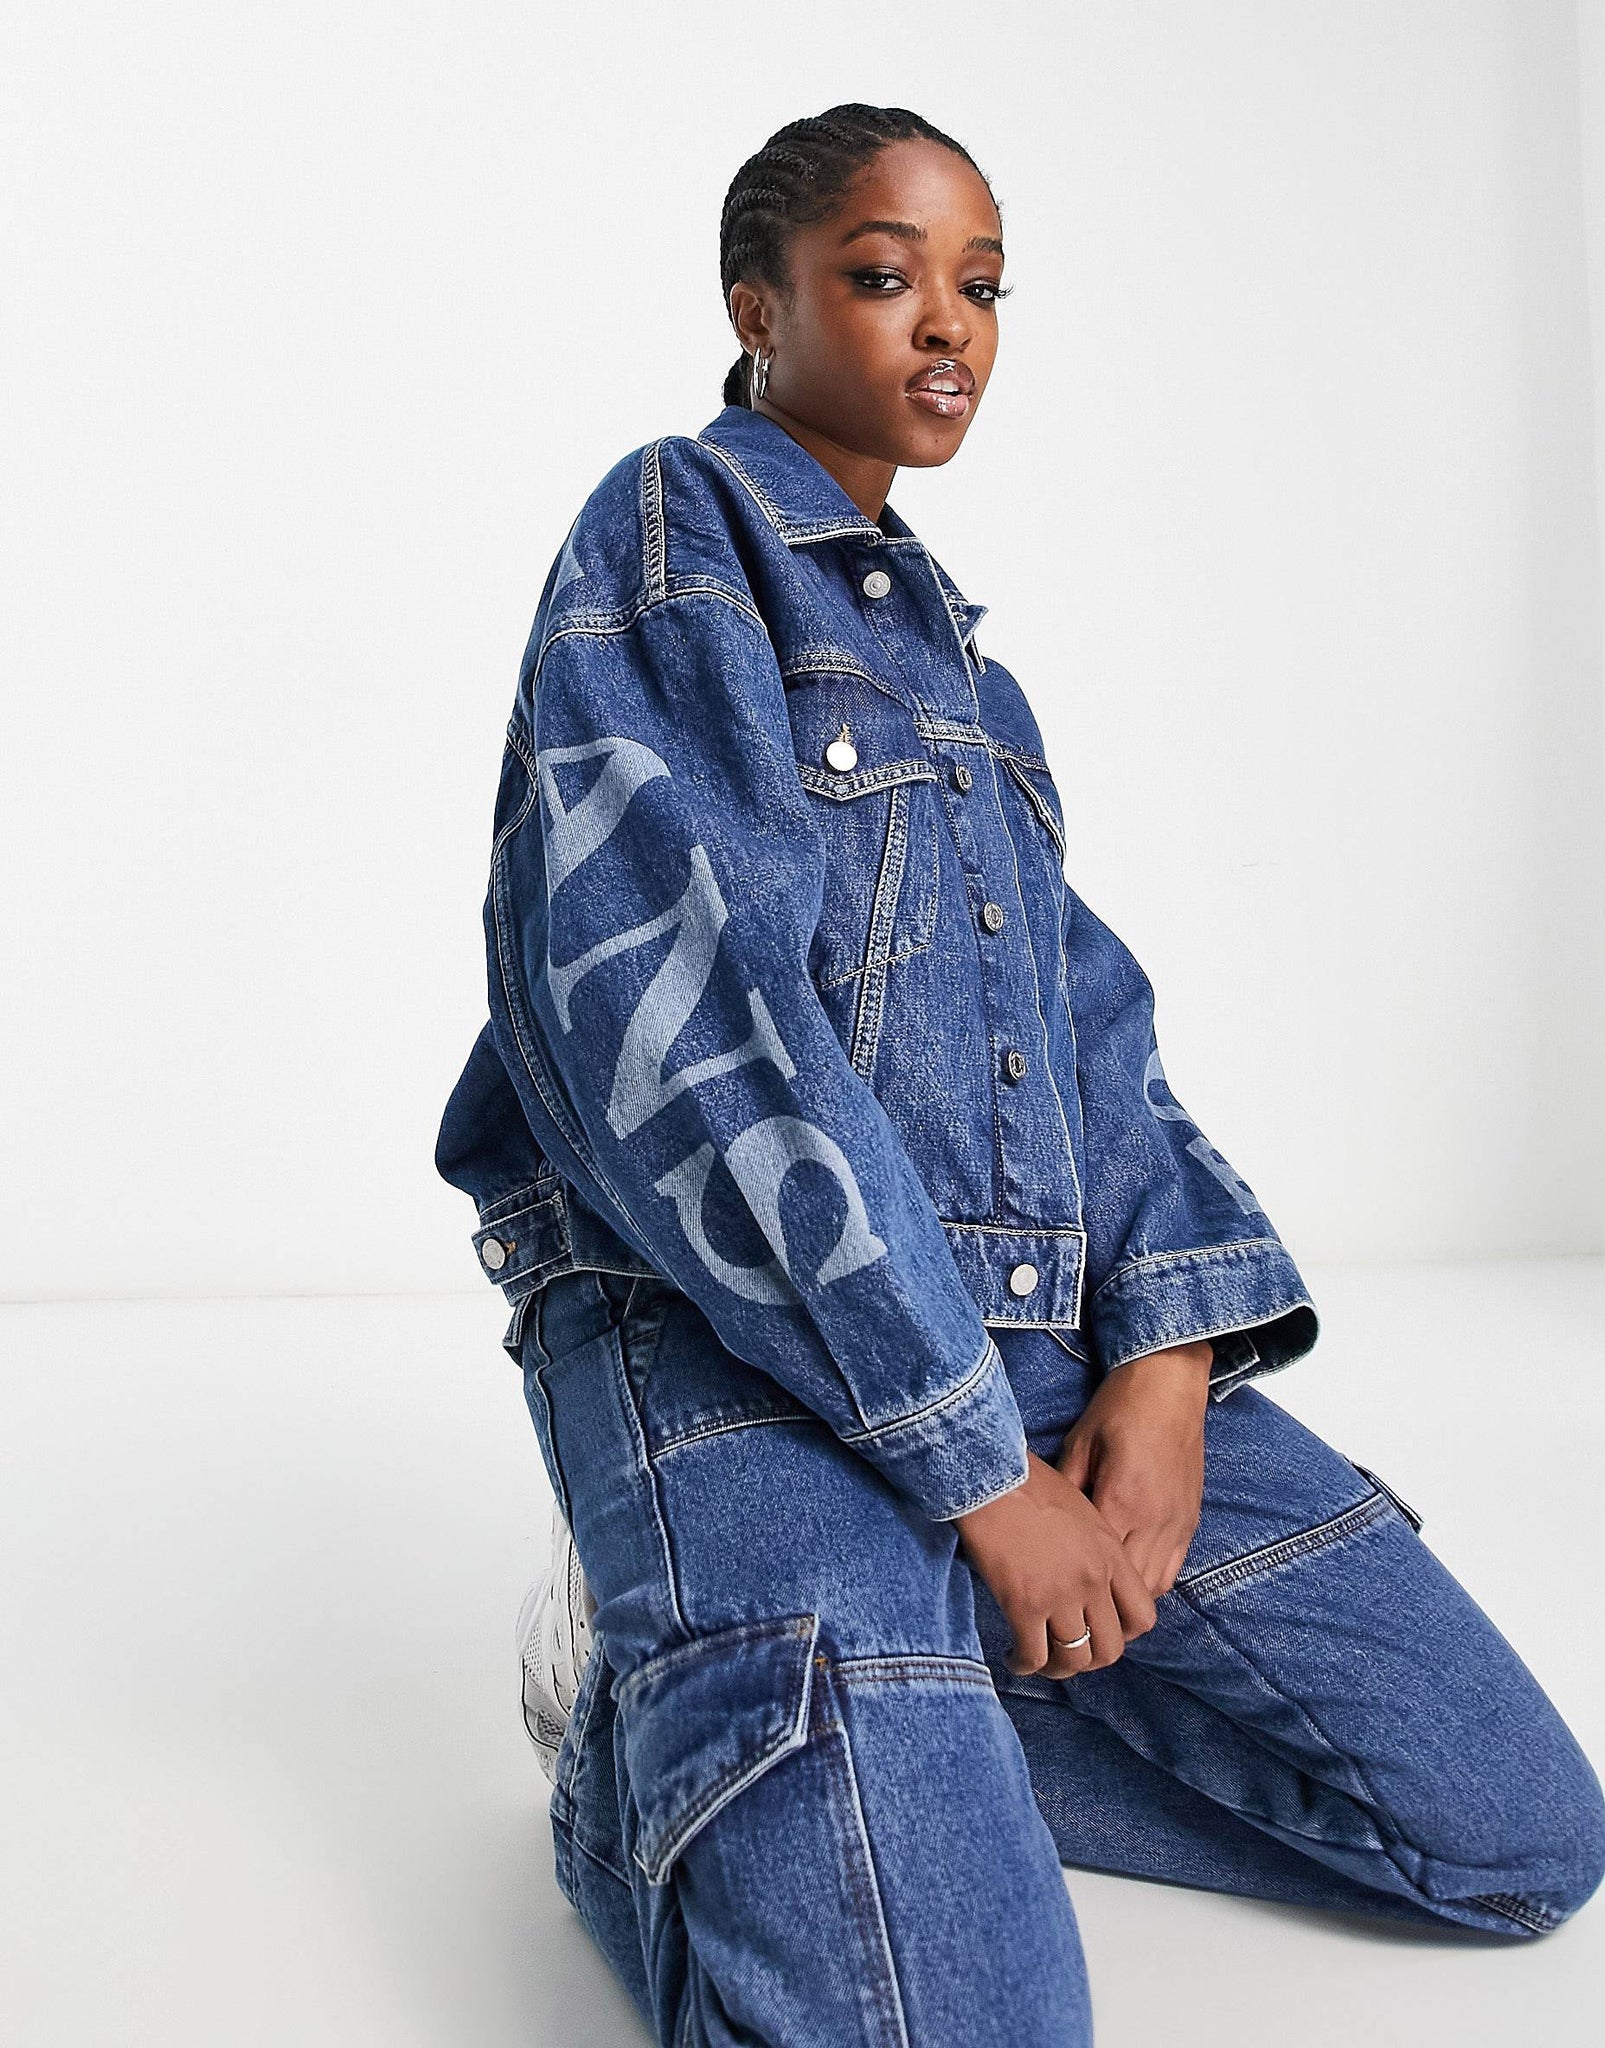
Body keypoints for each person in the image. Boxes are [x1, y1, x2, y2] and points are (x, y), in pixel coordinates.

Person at [434, 102, 1605, 2047]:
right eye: (882, 275)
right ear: (755, 304)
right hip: (719, 1341)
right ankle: (640, 1748)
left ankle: (882, 1718)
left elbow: (1085, 1034)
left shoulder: (974, 689)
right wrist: (975, 1472)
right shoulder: (671, 531)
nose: (946, 324)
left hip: (1026, 1339)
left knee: (1515, 1837)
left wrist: (1162, 1366)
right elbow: (689, 1033)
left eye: (978, 285)